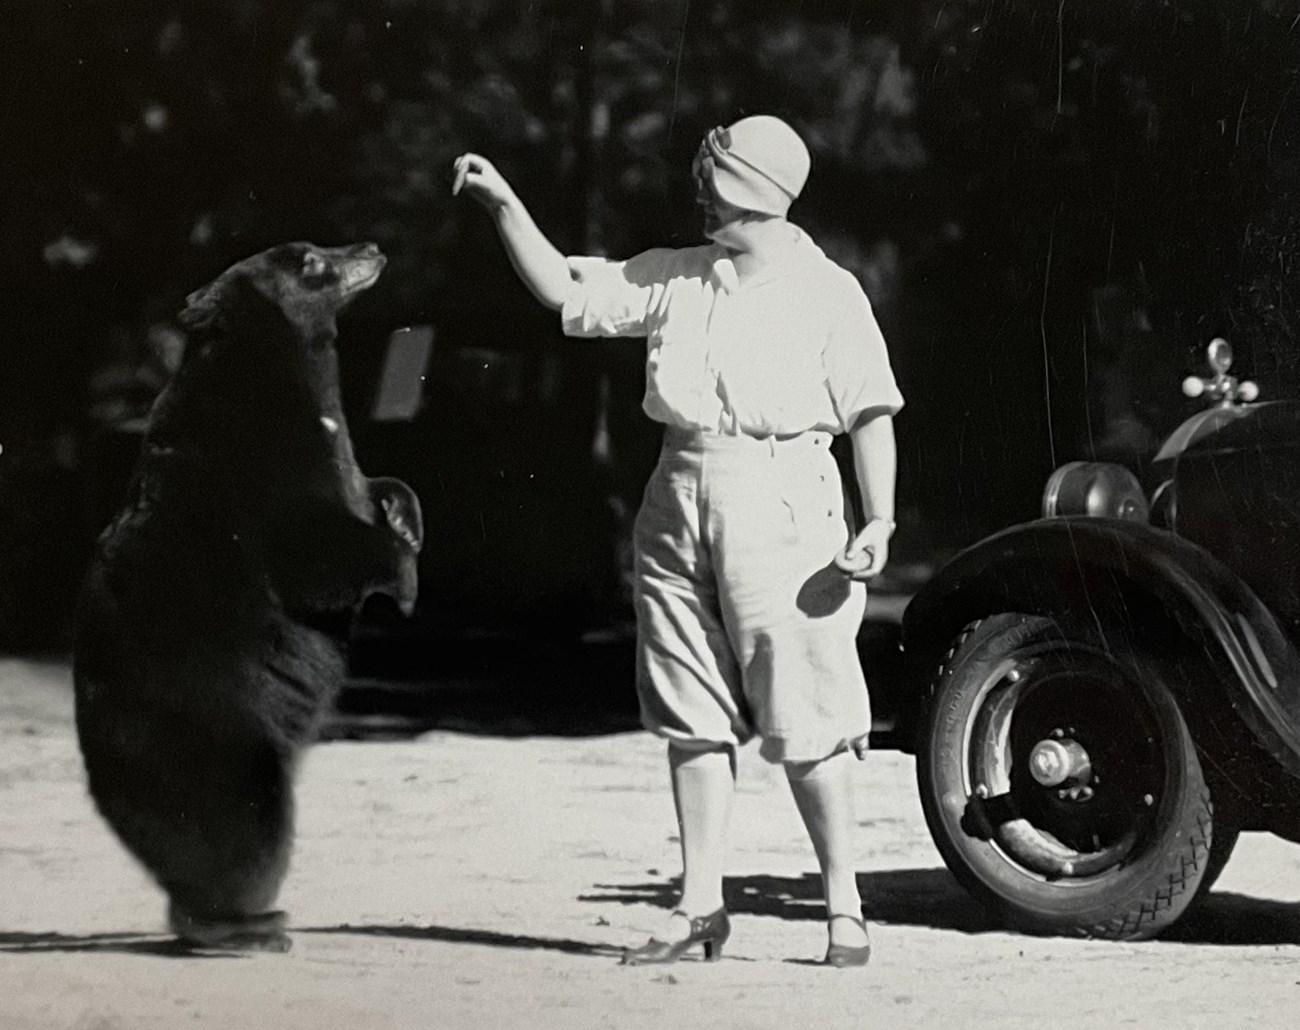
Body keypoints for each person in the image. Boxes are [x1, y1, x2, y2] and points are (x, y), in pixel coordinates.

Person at [452, 114, 903, 968]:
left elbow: (871, 413)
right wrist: (505, 203)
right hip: (679, 488)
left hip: (785, 502)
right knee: (688, 707)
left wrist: (879, 519)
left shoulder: (828, 290)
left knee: (805, 710)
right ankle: (701, 905)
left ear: (757, 195)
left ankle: (844, 904)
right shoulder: (677, 276)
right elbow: (566, 290)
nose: (701, 198)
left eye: (717, 186)